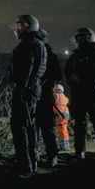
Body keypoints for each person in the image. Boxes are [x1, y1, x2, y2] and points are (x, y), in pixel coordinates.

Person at [8, 14, 47, 174]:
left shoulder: (27, 45)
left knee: (19, 125)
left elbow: (27, 68)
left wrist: (22, 88)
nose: (17, 30)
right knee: (30, 124)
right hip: (34, 88)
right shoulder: (39, 44)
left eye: (20, 26)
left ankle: (24, 163)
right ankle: (32, 160)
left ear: (28, 27)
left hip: (26, 89)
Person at [64, 28, 95, 159]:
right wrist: (75, 82)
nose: (79, 41)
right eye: (77, 38)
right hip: (79, 95)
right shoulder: (75, 56)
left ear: (89, 38)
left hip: (93, 95)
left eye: (82, 38)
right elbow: (68, 72)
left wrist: (83, 79)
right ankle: (80, 152)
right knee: (79, 125)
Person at [35, 38, 62, 168]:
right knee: (35, 127)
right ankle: (37, 154)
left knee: (47, 127)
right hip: (35, 95)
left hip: (44, 95)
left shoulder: (49, 55)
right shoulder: (33, 51)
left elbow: (57, 74)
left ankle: (52, 156)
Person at [52, 84, 71, 151]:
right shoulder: (65, 97)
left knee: (61, 130)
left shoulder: (55, 95)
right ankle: (66, 146)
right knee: (64, 130)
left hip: (59, 115)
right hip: (66, 115)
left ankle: (64, 147)